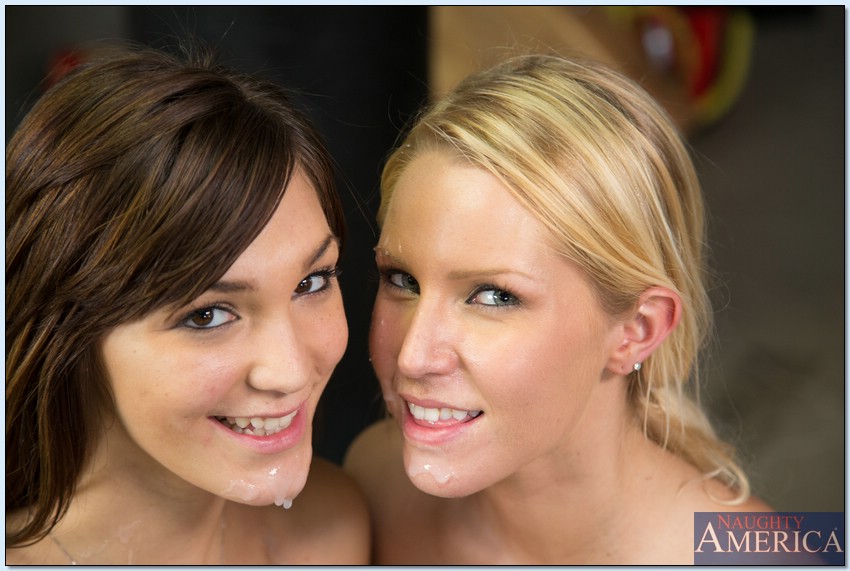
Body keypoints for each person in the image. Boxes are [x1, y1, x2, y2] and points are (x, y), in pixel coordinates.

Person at [344, 53, 770, 564]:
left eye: (494, 296)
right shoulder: (373, 483)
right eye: (403, 280)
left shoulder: (763, 557)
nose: (412, 356)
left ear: (637, 330)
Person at [6, 44, 369, 564]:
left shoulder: (335, 530)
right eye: (207, 315)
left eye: (311, 282)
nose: (289, 372)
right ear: (68, 332)